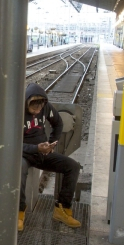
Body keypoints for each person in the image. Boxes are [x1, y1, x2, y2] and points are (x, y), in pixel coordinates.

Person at [19, 83, 81, 231]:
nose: (37, 111)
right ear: (27, 102)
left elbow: (58, 123)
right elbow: (10, 142)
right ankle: (19, 212)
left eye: (40, 108)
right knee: (19, 170)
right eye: (34, 108)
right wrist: (35, 148)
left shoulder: (45, 107)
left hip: (42, 152)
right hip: (24, 153)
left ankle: (62, 209)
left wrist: (52, 142)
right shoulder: (16, 111)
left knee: (73, 166)